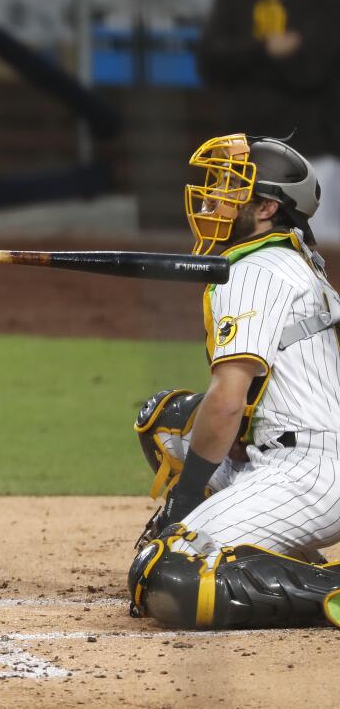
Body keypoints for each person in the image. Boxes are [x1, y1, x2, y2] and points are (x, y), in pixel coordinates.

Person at [128, 133, 340, 630]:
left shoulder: (254, 272)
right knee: (167, 421)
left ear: (266, 208)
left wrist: (185, 499)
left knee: (168, 574)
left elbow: (227, 401)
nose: (208, 199)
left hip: (309, 473)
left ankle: (327, 588)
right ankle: (270, 550)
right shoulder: (289, 257)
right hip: (298, 451)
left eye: (226, 188)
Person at [197, 0, 340, 241]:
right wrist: (265, 49)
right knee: (232, 260)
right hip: (242, 156)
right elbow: (211, 61)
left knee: (315, 264)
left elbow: (313, 69)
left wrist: (245, 59)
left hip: (311, 158)